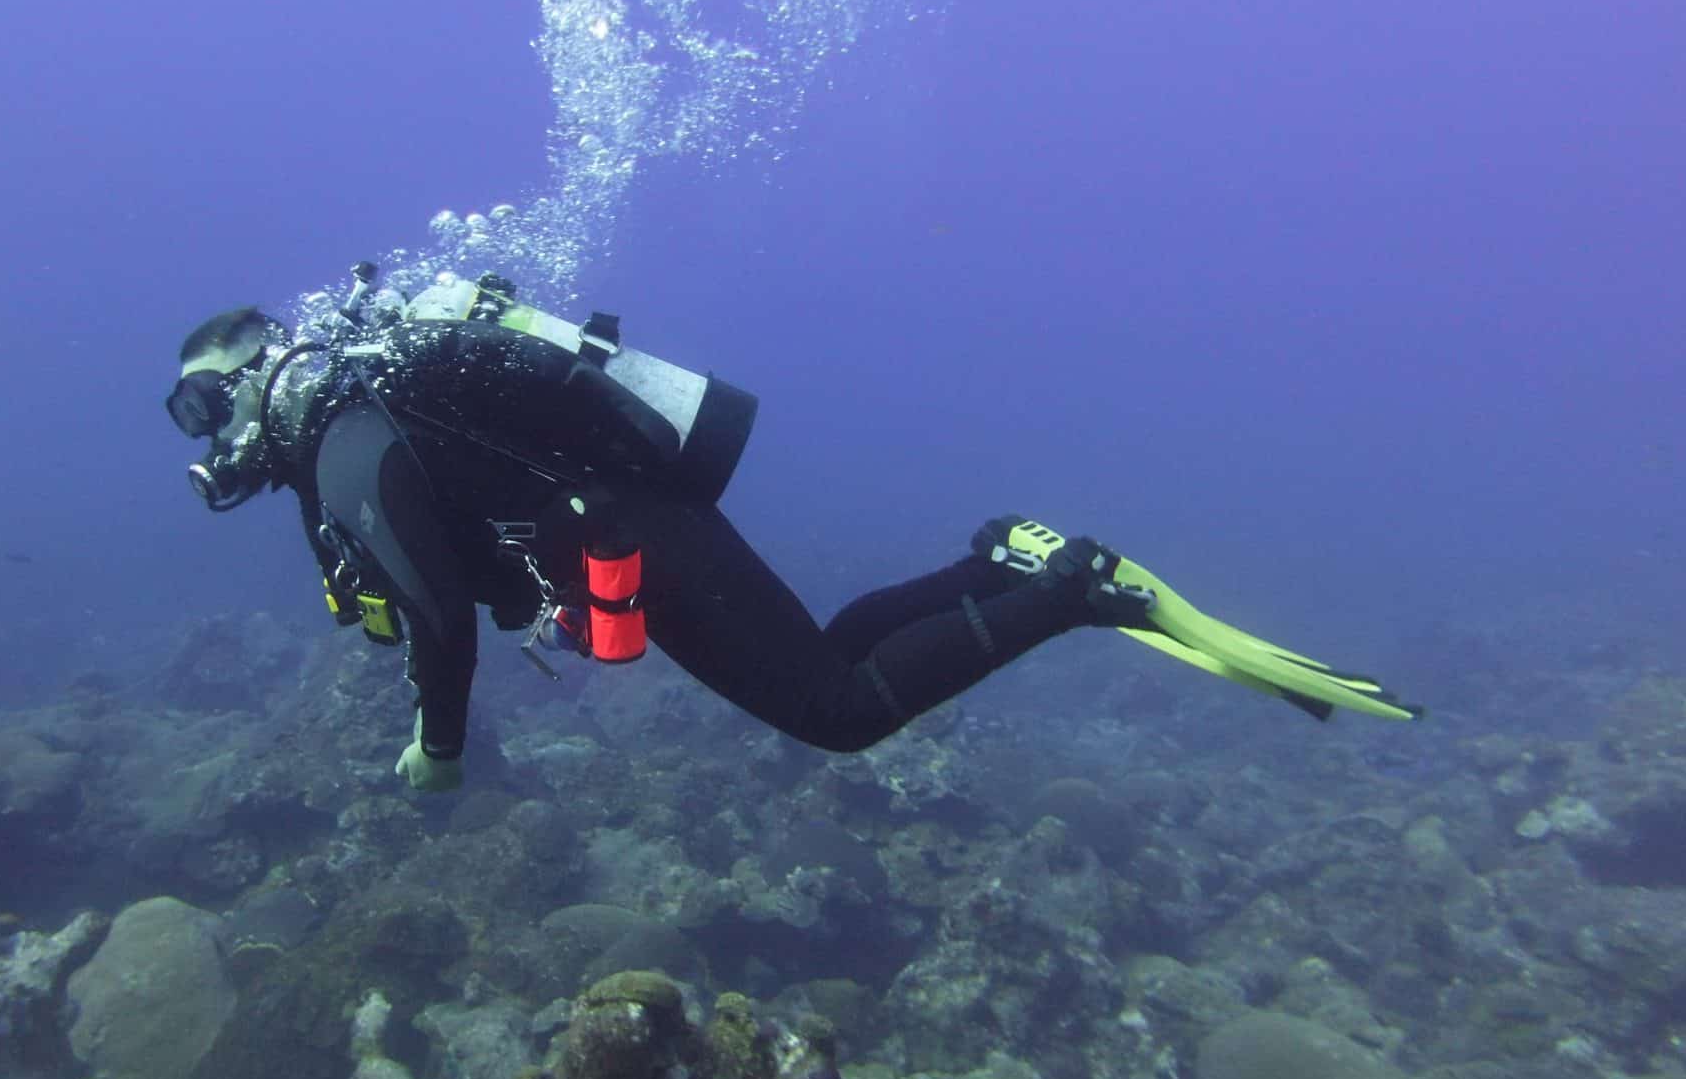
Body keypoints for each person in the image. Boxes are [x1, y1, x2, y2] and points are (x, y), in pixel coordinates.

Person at [166, 268, 1415, 793]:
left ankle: (1075, 588)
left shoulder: (332, 428)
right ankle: (1003, 563)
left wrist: (438, 746)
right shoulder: (353, 408)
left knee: (840, 715)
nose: (209, 442)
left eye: (199, 407)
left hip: (630, 536)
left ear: (244, 378)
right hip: (634, 526)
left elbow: (436, 607)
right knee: (825, 657)